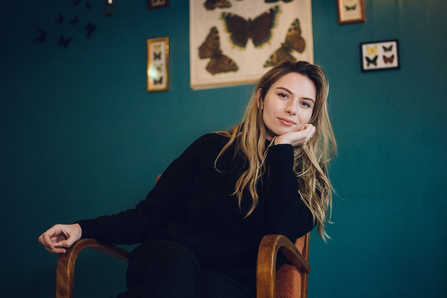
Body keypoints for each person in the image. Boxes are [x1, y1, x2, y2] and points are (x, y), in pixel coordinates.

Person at [39, 60, 337, 298]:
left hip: (228, 283)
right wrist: (81, 228)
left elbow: (281, 234)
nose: (290, 110)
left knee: (211, 290)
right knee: (176, 270)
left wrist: (281, 151)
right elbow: (148, 217)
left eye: (304, 104)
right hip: (168, 262)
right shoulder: (211, 148)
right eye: (283, 95)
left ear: (311, 117)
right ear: (261, 97)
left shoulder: (310, 180)